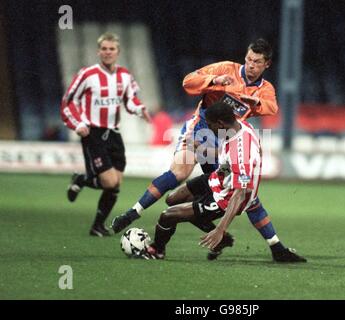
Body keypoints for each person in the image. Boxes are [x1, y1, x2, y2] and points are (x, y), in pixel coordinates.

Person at [112, 39, 305, 262]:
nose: (251, 65)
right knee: (180, 173)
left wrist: (254, 102)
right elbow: (188, 82)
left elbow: (272, 107)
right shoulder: (225, 69)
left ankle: (271, 245)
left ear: (266, 65)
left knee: (238, 195)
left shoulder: (265, 89)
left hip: (225, 140)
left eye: (257, 62)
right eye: (249, 59)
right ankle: (133, 212)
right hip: (202, 129)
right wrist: (213, 80)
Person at [139, 102, 306, 262]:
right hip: (219, 178)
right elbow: (224, 151)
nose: (209, 129)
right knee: (172, 199)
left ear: (219, 124)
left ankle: (157, 250)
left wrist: (220, 229)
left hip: (227, 197)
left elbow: (240, 194)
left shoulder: (242, 155)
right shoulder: (239, 125)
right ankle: (223, 238)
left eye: (210, 125)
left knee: (166, 216)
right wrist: (200, 147)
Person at [60, 32, 152, 236]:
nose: (108, 52)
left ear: (118, 52)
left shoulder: (125, 75)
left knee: (116, 183)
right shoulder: (87, 74)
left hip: (114, 133)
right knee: (109, 181)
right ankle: (81, 180)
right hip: (92, 132)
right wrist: (78, 124)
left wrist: (139, 109)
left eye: (112, 49)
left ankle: (97, 226)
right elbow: (68, 101)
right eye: (104, 49)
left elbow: (130, 100)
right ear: (98, 51)